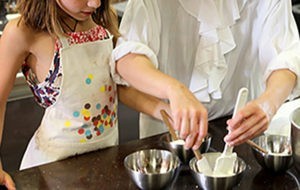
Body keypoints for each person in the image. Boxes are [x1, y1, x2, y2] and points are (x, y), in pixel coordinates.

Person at [0, 0, 206, 189]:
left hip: (105, 160)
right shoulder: (23, 32)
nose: (95, 3)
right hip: (52, 169)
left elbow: (116, 88)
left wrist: (167, 111)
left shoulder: (103, 19)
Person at [115, 0, 300, 147]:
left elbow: (286, 57)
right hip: (167, 132)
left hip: (241, 129)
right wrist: (175, 90)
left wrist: (268, 104)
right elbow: (127, 60)